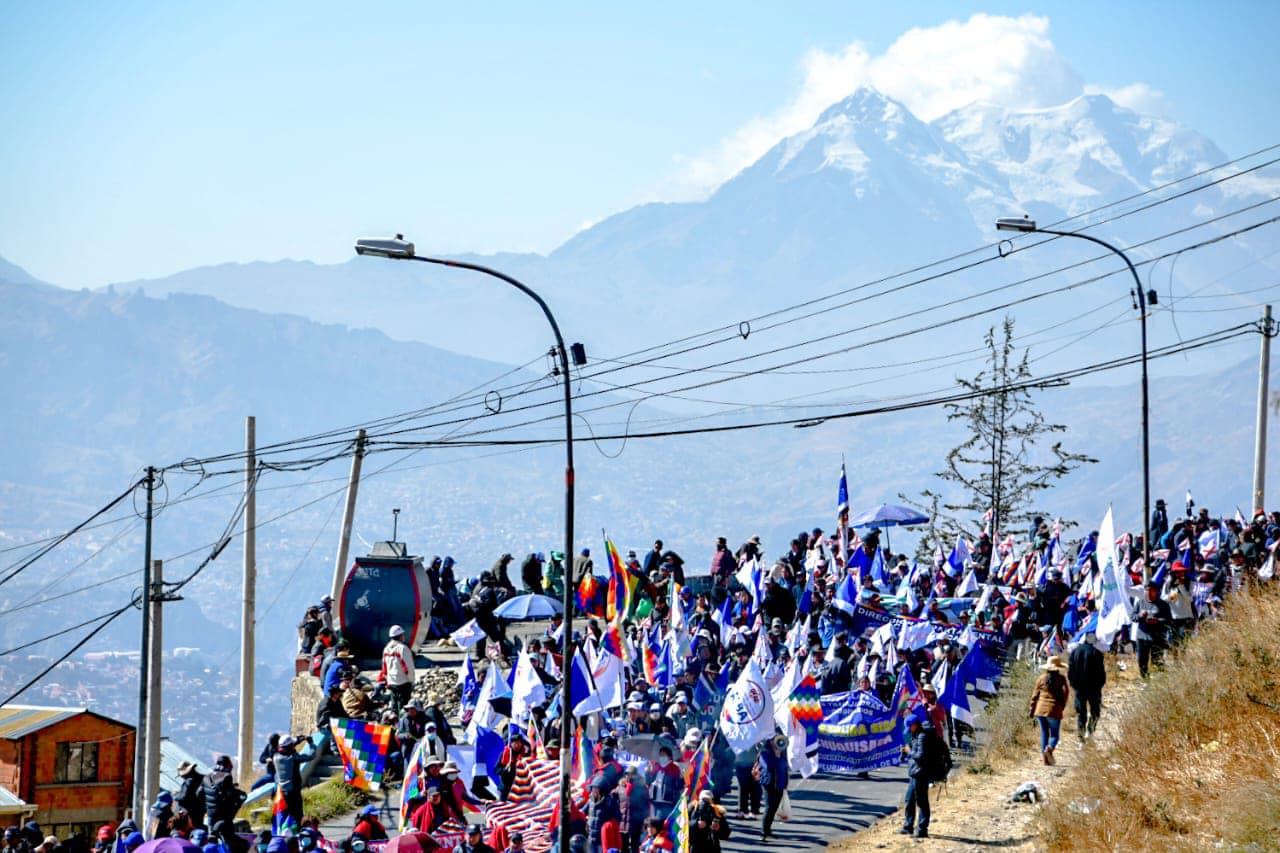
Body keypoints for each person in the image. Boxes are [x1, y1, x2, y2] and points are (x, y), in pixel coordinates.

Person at [899, 707, 946, 839]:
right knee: (909, 800)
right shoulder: (916, 735)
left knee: (922, 801)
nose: (909, 731)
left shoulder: (923, 736)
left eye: (910, 727)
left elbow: (921, 756)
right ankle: (908, 827)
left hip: (921, 773)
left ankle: (922, 829)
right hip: (915, 773)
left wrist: (909, 751)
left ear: (914, 725)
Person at [1029, 654, 1070, 765]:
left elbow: (1034, 696)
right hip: (1054, 709)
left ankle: (1045, 760)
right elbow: (1066, 692)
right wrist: (1062, 705)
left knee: (1044, 734)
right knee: (1055, 735)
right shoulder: (1061, 678)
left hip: (1040, 710)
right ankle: (1050, 748)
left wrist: (1031, 711)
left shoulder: (1041, 678)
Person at [1067, 634, 1106, 743]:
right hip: (1094, 688)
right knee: (1095, 711)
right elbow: (1101, 673)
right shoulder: (1097, 653)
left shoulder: (1074, 652)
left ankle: (1081, 736)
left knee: (1081, 712)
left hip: (1079, 687)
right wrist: (1100, 686)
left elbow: (1070, 671)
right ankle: (1090, 731)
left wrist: (1073, 685)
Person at [1133, 580, 1173, 678]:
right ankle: (1145, 680)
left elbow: (1169, 620)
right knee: (1142, 661)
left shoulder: (1163, 604)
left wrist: (1158, 621)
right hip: (1142, 636)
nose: (1149, 593)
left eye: (1151, 590)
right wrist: (1140, 616)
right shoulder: (1140, 603)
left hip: (1157, 637)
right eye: (1147, 590)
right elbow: (1133, 617)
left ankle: (1159, 682)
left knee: (1157, 661)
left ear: (1156, 591)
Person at [756, 734, 788, 842]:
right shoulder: (765, 752)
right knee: (769, 808)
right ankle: (763, 832)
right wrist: (776, 756)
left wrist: (785, 782)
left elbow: (784, 767)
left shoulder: (782, 751)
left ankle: (768, 830)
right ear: (770, 742)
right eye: (775, 740)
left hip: (779, 784)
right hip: (769, 783)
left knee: (774, 809)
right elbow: (768, 766)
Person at [201, 755, 246, 830]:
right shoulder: (226, 776)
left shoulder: (207, 777)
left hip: (209, 810)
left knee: (211, 831)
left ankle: (212, 835)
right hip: (222, 811)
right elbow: (230, 794)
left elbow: (201, 792)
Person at [381, 625, 416, 712]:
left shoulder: (386, 649)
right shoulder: (403, 649)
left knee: (394, 705)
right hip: (403, 682)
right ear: (400, 636)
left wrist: (387, 680)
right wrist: (411, 681)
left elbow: (384, 667)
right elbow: (408, 668)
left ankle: (393, 723)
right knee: (404, 707)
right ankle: (402, 724)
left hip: (392, 682)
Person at [176, 760, 206, 829]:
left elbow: (184, 797)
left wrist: (176, 797)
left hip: (190, 811)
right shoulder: (202, 778)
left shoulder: (189, 781)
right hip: (200, 809)